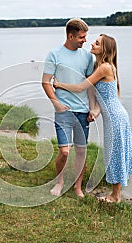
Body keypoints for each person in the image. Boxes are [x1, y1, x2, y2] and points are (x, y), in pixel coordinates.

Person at [53, 34, 132, 203]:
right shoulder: (99, 66)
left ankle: (116, 196)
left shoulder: (105, 68)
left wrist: (59, 85)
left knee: (114, 154)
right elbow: (94, 92)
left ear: (105, 49)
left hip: (116, 117)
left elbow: (81, 87)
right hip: (114, 116)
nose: (92, 43)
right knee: (120, 152)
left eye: (97, 43)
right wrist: (94, 110)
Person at [42, 18, 97, 198]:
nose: (85, 40)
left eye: (85, 37)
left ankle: (77, 187)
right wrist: (55, 102)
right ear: (70, 36)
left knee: (81, 150)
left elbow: (89, 86)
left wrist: (92, 108)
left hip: (82, 112)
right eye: (81, 37)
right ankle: (60, 182)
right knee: (65, 151)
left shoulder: (88, 57)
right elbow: (46, 82)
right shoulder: (54, 54)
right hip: (63, 111)